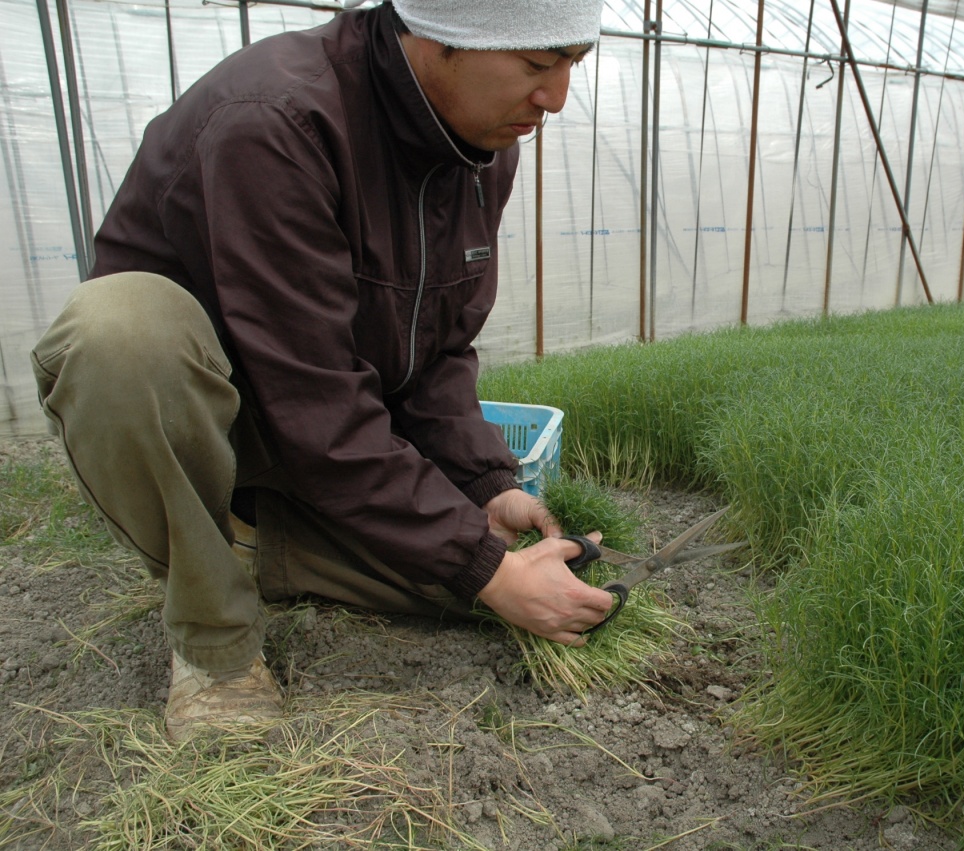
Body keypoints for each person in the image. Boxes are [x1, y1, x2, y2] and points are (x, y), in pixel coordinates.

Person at [29, 0, 615, 741]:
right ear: (440, 38)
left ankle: (252, 542)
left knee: (487, 586)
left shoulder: (480, 146)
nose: (555, 99)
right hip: (226, 426)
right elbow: (312, 401)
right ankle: (213, 640)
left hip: (325, 443)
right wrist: (486, 568)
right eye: (536, 66)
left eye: (572, 65)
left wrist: (484, 486)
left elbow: (433, 353)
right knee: (117, 333)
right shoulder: (277, 124)